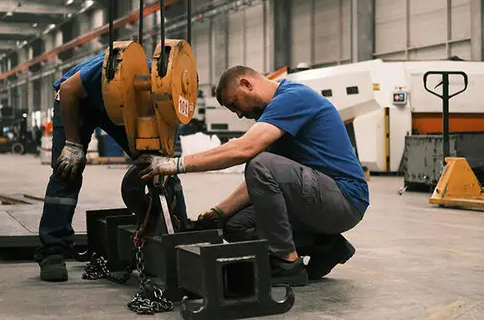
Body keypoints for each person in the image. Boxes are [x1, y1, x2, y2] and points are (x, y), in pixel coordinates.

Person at [137, 65, 369, 286]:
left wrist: (176, 164)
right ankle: (325, 246)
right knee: (234, 225)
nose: (239, 114)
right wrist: (218, 212)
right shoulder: (275, 118)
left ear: (246, 84)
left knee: (259, 163)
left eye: (235, 103)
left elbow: (245, 151)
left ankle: (287, 264)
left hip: (345, 198)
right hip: (316, 200)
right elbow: (262, 181)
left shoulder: (293, 98)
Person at [37, 51, 186, 282]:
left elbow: (163, 153)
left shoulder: (171, 99)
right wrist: (73, 144)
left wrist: (158, 166)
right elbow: (67, 90)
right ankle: (52, 251)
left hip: (120, 109)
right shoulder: (116, 68)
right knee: (68, 170)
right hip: (78, 100)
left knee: (162, 167)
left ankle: (181, 232)